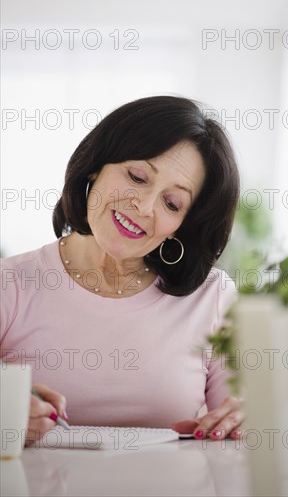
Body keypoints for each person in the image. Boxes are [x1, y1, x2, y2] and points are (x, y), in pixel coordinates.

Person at [0, 95, 244, 445]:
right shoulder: (11, 284)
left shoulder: (214, 298)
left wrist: (246, 419)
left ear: (181, 225)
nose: (143, 207)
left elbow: (245, 436)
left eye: (172, 203)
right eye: (137, 176)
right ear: (96, 166)